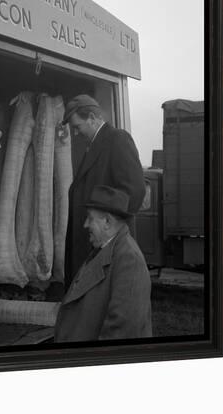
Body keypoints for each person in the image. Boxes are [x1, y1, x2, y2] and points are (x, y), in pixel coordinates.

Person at [62, 94, 146, 287]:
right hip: (92, 242)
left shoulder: (118, 139)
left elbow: (134, 190)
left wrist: (108, 229)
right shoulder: (93, 146)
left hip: (105, 245)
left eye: (77, 127)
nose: (75, 133)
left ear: (92, 118)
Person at [55, 186, 152, 342]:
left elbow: (123, 331)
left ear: (107, 221)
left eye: (90, 218)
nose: (85, 224)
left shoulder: (129, 260)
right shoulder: (105, 248)